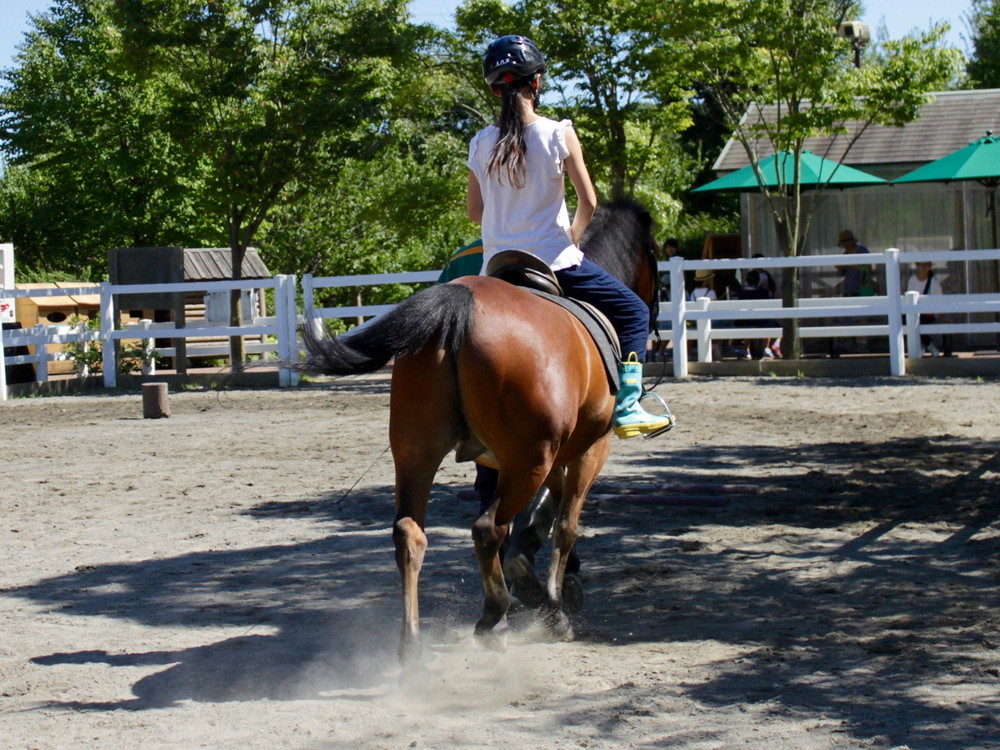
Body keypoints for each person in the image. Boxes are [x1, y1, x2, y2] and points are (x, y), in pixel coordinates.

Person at [467, 35, 671, 440]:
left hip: (495, 268)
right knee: (633, 312)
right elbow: (589, 201)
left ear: (493, 88)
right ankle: (628, 406)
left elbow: (476, 213)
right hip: (554, 263)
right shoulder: (558, 133)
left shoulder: (479, 143)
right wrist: (571, 240)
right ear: (536, 82)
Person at [831, 229, 874, 357]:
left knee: (861, 318)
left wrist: (852, 264)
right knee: (845, 317)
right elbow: (843, 273)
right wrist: (841, 268)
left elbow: (868, 268)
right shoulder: (845, 254)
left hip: (861, 289)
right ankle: (847, 345)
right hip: (848, 289)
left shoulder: (862, 251)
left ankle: (863, 345)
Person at [906, 260, 952, 357]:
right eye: (921, 265)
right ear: (917, 266)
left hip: (929, 313)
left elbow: (939, 298)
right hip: (916, 312)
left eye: (926, 265)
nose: (923, 267)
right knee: (909, 321)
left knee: (918, 322)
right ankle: (928, 346)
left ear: (930, 267)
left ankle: (929, 347)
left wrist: (941, 312)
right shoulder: (912, 279)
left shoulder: (934, 280)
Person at [649, 237, 679, 362]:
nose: (670, 249)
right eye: (668, 247)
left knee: (666, 325)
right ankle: (654, 353)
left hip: (673, 293)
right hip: (665, 294)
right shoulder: (663, 262)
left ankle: (657, 353)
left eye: (672, 247)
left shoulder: (675, 260)